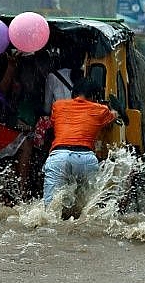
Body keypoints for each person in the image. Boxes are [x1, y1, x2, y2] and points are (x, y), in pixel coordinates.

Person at [42, 77, 117, 212]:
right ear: (93, 96)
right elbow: (113, 117)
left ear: (73, 93)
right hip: (86, 159)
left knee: (50, 210)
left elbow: (55, 123)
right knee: (88, 209)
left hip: (59, 156)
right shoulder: (101, 109)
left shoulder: (58, 106)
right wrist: (115, 111)